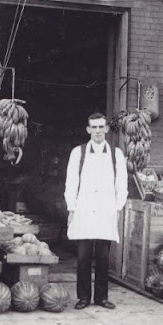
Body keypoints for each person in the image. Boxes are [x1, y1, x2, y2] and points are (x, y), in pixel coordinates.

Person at [64, 112, 128, 310]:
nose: (98, 131)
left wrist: (117, 208)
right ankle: (83, 297)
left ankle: (102, 297)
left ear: (107, 129)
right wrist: (71, 209)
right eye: (94, 127)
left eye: (101, 127)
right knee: (83, 257)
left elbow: (122, 184)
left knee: (103, 258)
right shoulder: (78, 152)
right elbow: (71, 182)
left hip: (106, 212)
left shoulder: (116, 155)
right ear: (88, 129)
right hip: (84, 211)